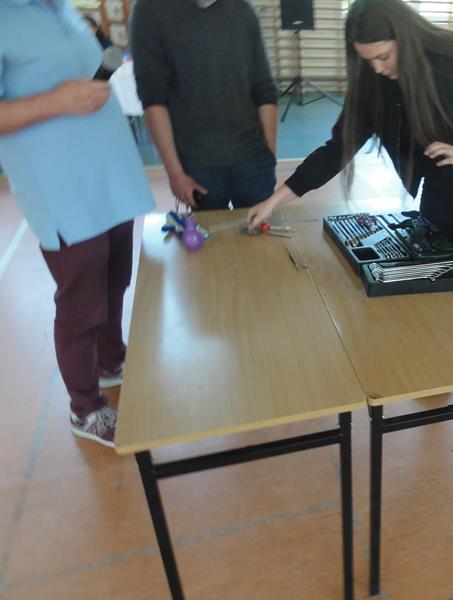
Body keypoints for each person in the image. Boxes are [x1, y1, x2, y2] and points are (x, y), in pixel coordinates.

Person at [247, 0, 453, 421]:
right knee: (437, 278)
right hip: (441, 189)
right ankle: (447, 357)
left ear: (405, 39)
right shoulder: (375, 83)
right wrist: (276, 198)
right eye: (368, 60)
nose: (377, 68)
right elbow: (338, 148)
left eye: (382, 56)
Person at [0, 0, 155, 447]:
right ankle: (84, 407)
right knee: (81, 303)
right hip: (60, 188)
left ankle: (111, 360)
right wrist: (56, 101)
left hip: (109, 177)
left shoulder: (63, 10)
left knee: (115, 281)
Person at [129, 0, 278, 211]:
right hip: (197, 163)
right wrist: (175, 173)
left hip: (254, 158)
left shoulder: (243, 10)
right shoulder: (150, 10)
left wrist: (268, 155)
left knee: (261, 230)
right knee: (208, 231)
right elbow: (153, 100)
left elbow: (264, 89)